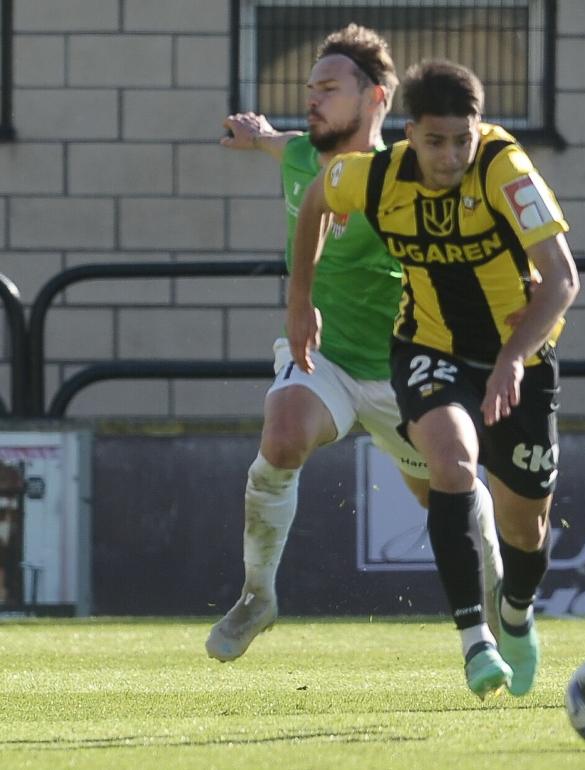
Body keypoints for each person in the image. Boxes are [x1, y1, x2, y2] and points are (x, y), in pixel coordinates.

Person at [205, 27, 502, 662]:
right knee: (282, 434)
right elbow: (279, 143)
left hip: (404, 366)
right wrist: (254, 135)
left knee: (447, 491)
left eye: (328, 89)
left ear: (375, 98)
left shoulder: (408, 175)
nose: (311, 100)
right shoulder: (299, 158)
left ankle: (497, 594)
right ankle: (258, 595)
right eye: (309, 88)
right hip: (326, 359)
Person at [286, 59, 578, 700]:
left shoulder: (506, 170)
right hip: (429, 346)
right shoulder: (375, 175)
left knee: (525, 527)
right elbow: (315, 197)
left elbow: (561, 279)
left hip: (520, 360)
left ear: (479, 131)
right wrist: (300, 299)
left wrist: (510, 360)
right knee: (451, 466)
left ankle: (517, 613)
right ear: (410, 134)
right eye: (435, 141)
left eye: (462, 141)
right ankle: (475, 642)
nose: (449, 157)